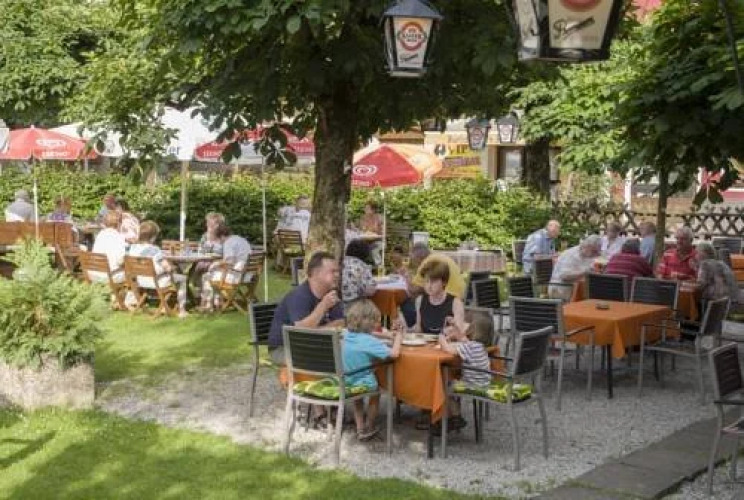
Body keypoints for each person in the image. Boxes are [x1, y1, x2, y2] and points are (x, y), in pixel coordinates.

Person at [268, 251, 345, 364]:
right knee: (330, 359)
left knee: (351, 352)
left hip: (314, 344)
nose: (337, 275)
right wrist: (323, 306)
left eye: (338, 271)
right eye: (333, 271)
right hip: (285, 349)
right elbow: (301, 331)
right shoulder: (299, 296)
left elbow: (340, 323)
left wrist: (315, 331)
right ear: (316, 273)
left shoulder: (331, 293)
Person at [342, 299, 402, 441]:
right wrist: (398, 336)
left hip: (347, 380)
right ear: (370, 322)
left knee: (357, 398)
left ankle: (360, 428)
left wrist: (385, 335)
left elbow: (368, 336)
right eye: (376, 320)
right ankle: (370, 426)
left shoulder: (347, 334)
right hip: (364, 382)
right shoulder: (370, 342)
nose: (377, 324)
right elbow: (394, 354)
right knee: (376, 392)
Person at [436, 310, 495, 434]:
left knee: (443, 386)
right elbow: (463, 340)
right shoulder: (478, 345)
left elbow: (449, 350)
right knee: (450, 381)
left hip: (472, 385)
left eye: (466, 324)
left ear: (472, 329)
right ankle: (452, 416)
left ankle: (455, 417)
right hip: (483, 382)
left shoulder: (470, 347)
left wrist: (442, 339)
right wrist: (456, 329)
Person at [126, 221, 188, 318]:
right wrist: (173, 268)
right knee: (183, 278)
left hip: (139, 281)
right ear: (153, 237)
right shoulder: (155, 250)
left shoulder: (133, 248)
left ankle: (165, 305)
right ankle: (182, 310)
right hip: (157, 282)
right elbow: (167, 268)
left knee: (174, 275)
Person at [199, 223, 252, 311]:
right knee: (215, 274)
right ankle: (217, 302)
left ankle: (208, 305)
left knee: (207, 276)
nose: (219, 242)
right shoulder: (241, 239)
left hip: (237, 276)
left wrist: (216, 264)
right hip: (248, 275)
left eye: (217, 239)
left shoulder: (228, 243)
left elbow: (229, 262)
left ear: (221, 236)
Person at [410, 259, 466, 335]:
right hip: (425, 342)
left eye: (433, 281)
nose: (429, 286)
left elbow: (459, 333)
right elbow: (419, 329)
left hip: (447, 341)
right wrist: (406, 330)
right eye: (426, 281)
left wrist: (452, 329)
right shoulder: (420, 300)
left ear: (444, 282)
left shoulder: (456, 303)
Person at [549, 235, 602, 301]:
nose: (596, 254)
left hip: (575, 288)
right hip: (560, 289)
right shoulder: (571, 255)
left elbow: (589, 271)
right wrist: (584, 273)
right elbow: (564, 276)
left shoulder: (588, 255)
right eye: (594, 251)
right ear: (587, 246)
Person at [89, 211, 126, 290]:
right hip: (109, 276)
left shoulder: (100, 234)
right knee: (131, 271)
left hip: (94, 273)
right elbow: (120, 261)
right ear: (119, 224)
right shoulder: (119, 237)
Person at [341, 239, 376, 306]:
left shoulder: (340, 262)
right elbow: (370, 291)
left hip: (337, 304)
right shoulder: (363, 266)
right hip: (354, 305)